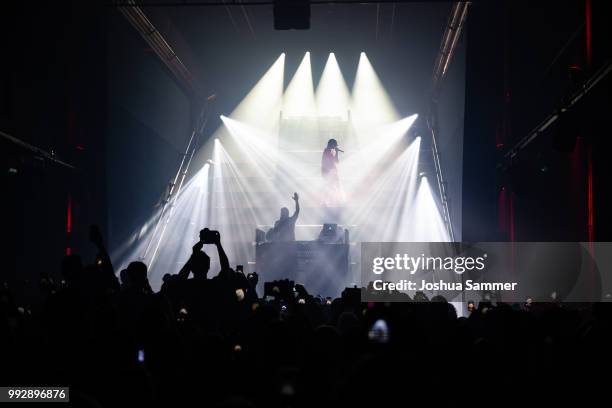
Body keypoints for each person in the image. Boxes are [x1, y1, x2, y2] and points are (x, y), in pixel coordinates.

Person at [321, 139, 344, 207]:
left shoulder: (329, 151)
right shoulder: (327, 151)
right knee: (332, 187)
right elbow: (334, 162)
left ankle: (333, 201)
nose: (335, 147)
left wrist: (336, 153)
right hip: (329, 173)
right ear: (331, 144)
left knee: (333, 187)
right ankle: (330, 202)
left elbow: (336, 161)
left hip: (331, 173)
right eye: (334, 145)